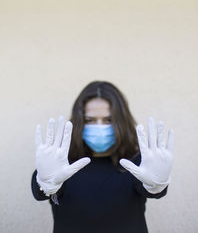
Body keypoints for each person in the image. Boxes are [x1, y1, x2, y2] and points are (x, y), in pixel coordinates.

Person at [31, 81, 174, 233]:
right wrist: (44, 183)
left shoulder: (137, 161)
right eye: (90, 120)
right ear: (79, 121)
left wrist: (157, 185)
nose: (99, 126)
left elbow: (154, 190)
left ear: (121, 121)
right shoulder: (61, 162)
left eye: (108, 120)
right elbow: (39, 192)